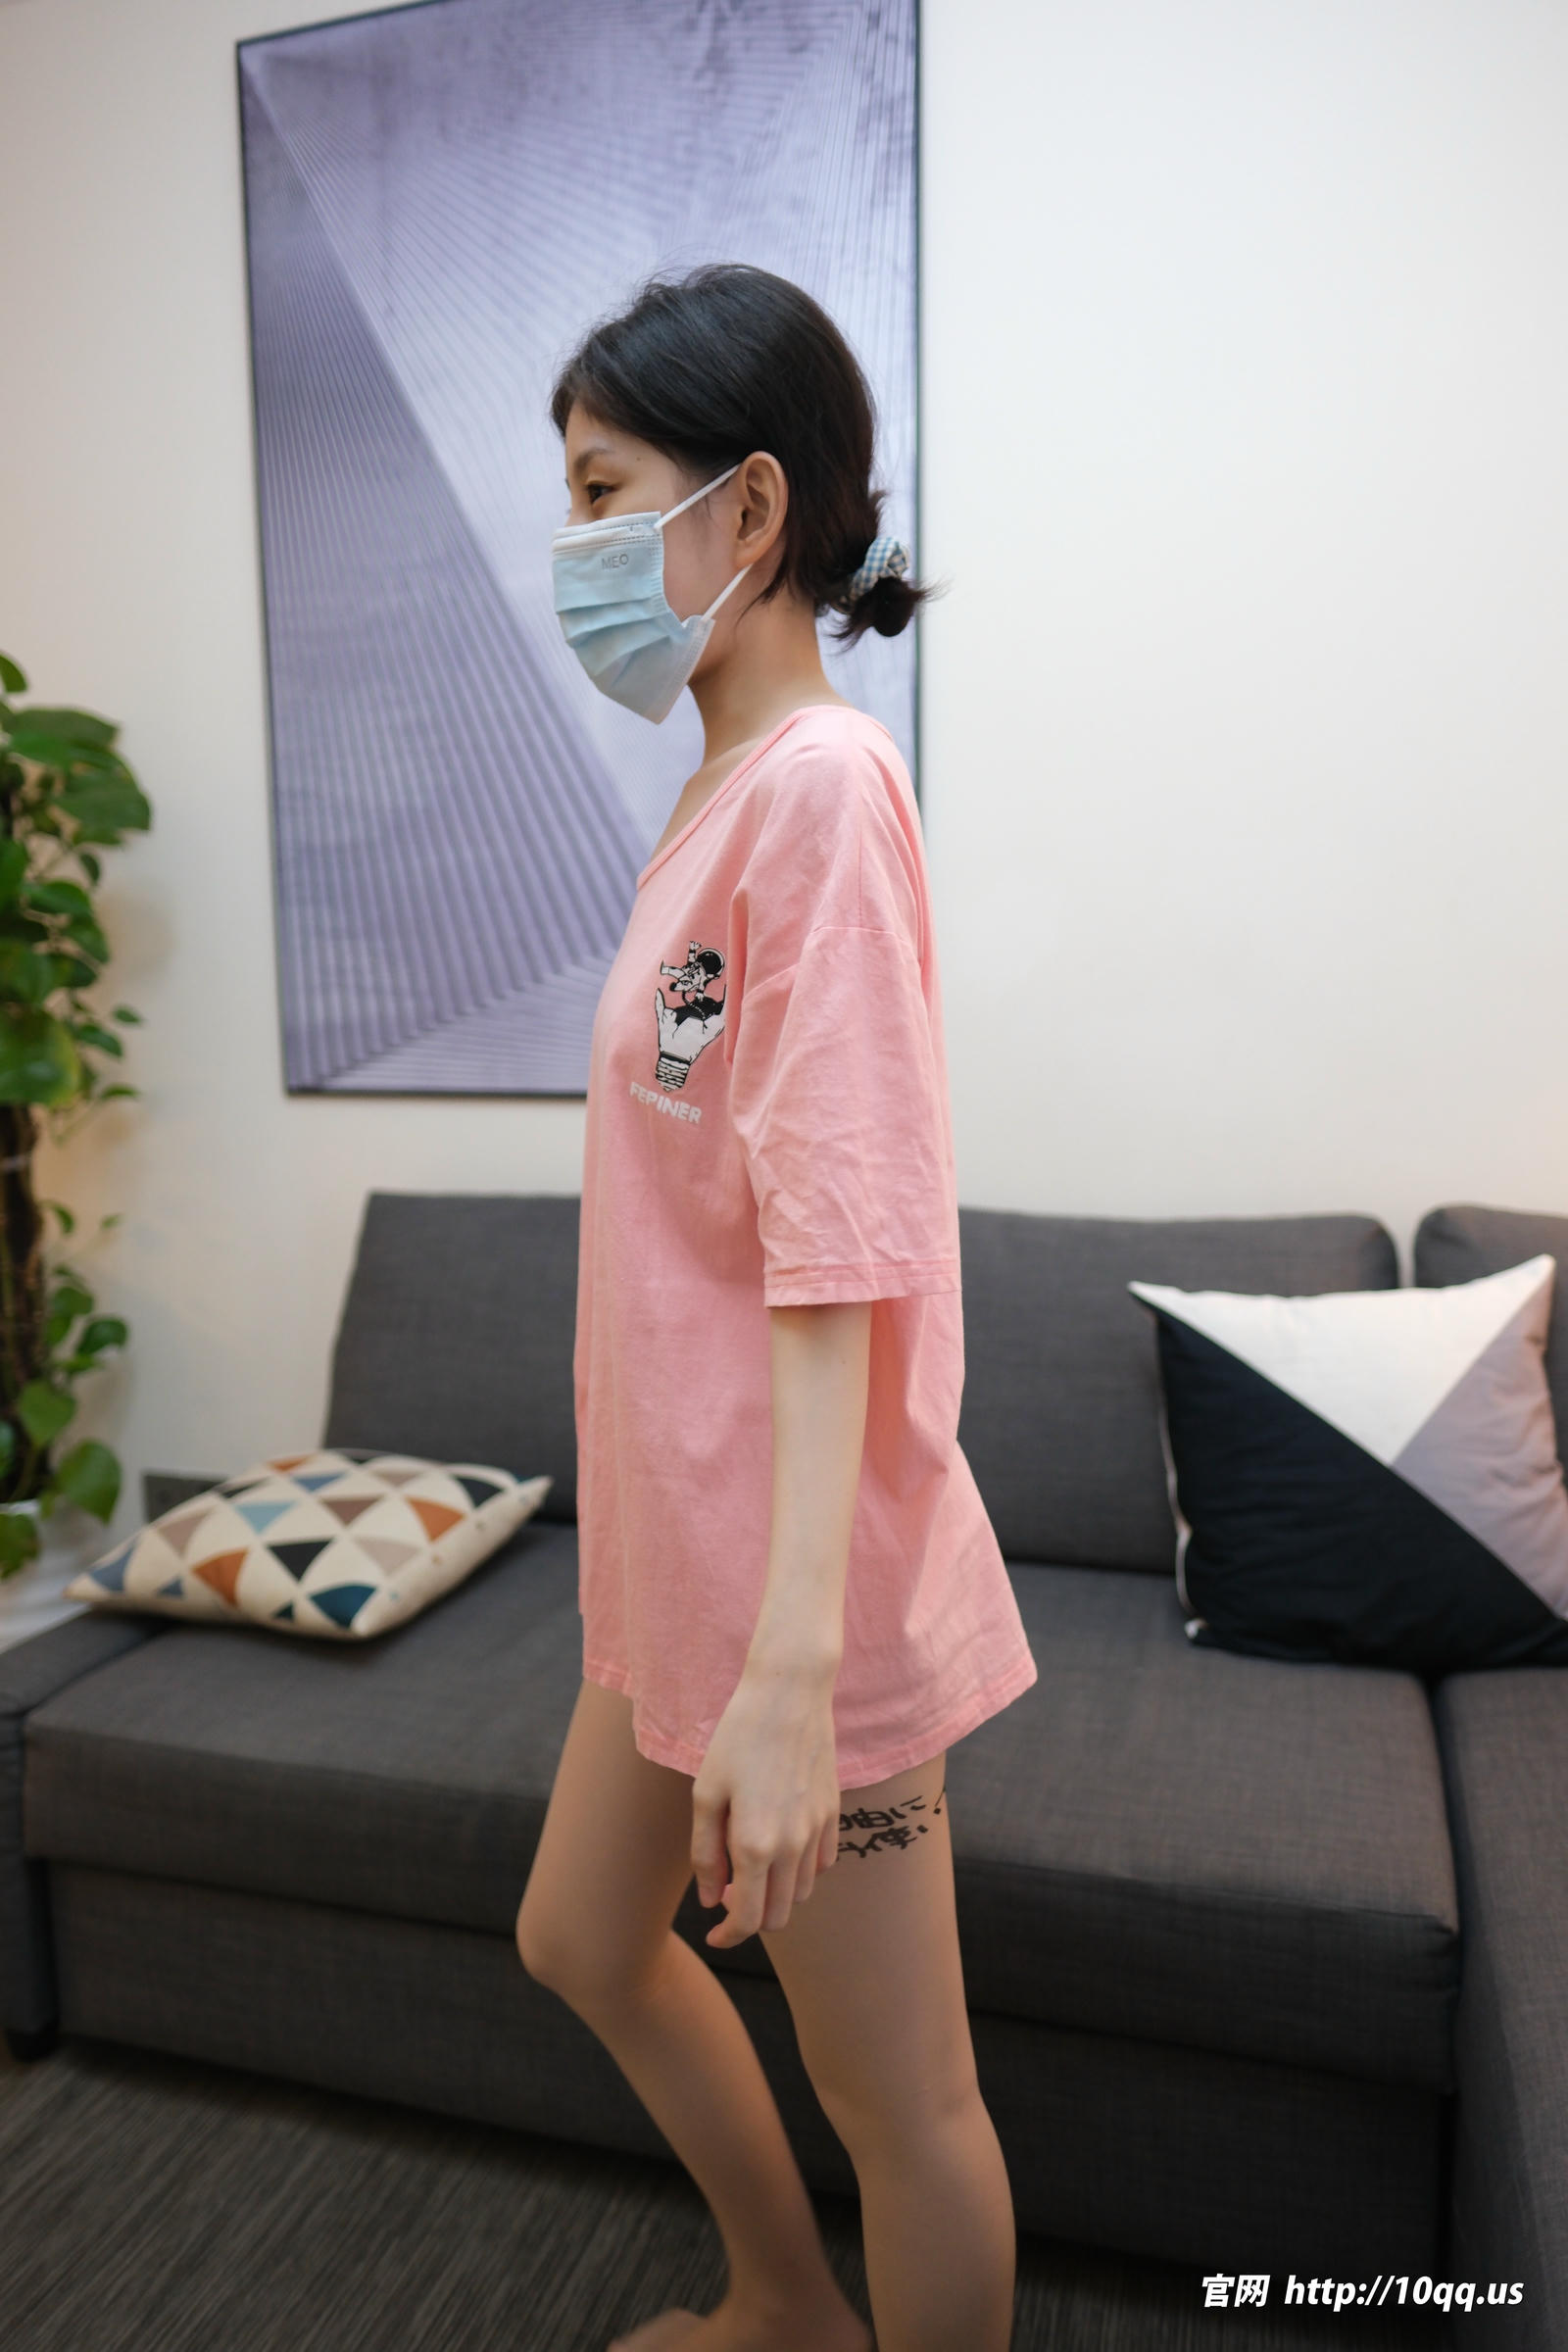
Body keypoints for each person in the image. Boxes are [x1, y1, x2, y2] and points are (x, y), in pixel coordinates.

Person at [514, 263, 1039, 2352]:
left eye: (598, 488)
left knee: (905, 2104)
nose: (570, 542)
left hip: (800, 1605)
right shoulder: (717, 798)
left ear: (745, 509)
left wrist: (797, 1674)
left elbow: (841, 1241)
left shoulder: (824, 787)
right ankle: (783, 2305)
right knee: (581, 1938)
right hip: (683, 1564)